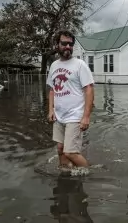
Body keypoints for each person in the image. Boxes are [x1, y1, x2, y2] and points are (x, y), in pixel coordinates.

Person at [47, 30, 94, 168]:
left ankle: (88, 173)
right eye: (64, 43)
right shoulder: (54, 66)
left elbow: (89, 90)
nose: (68, 46)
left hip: (75, 116)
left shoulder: (79, 65)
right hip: (59, 116)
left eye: (70, 44)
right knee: (61, 150)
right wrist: (51, 110)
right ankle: (66, 176)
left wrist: (86, 117)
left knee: (70, 152)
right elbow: (52, 89)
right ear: (57, 45)